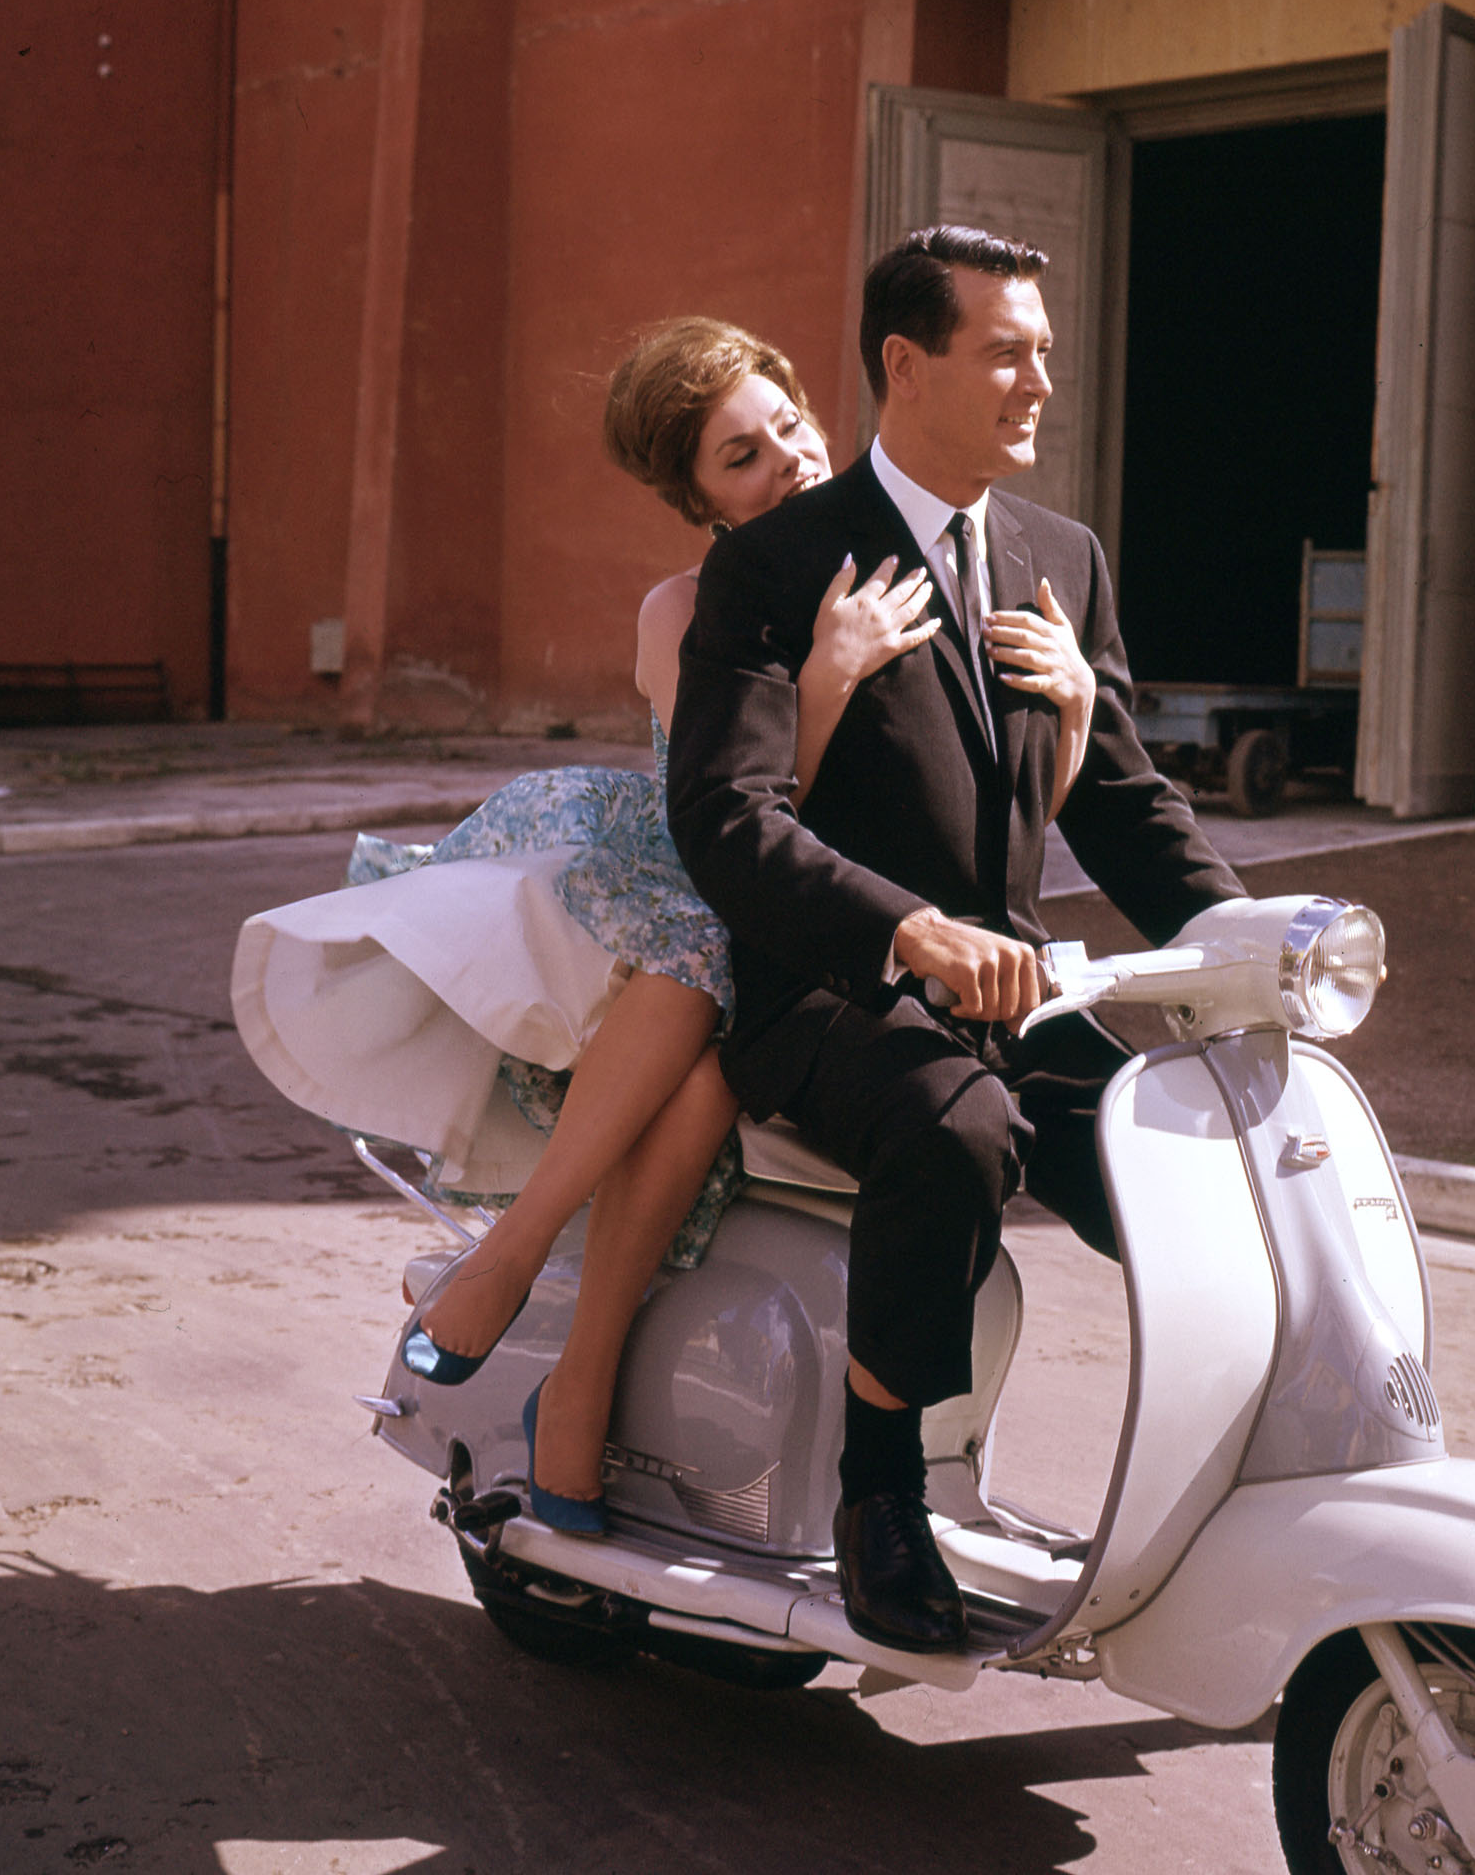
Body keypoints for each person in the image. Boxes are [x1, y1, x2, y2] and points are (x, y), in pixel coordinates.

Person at [231, 315, 1102, 1538]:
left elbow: (988, 824)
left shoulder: (899, 560)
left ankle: (569, 1357)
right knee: (701, 995)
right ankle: (530, 1283)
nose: (788, 459)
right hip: (695, 871)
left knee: (720, 1054)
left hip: (846, 920)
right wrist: (827, 677)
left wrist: (1067, 709)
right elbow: (745, 814)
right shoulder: (690, 603)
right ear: (691, 495)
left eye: (788, 424)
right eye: (740, 456)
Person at [667, 226, 1246, 1651]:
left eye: (1045, 349)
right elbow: (725, 816)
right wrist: (908, 933)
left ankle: (1232, 1477)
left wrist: (1251, 933)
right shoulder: (776, 566)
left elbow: (1121, 800)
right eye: (1006, 349)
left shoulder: (1063, 555)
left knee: (1194, 1148)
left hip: (1018, 992)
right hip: (832, 994)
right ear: (905, 366)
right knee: (957, 1130)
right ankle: (881, 1494)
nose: (1039, 378)